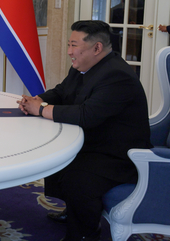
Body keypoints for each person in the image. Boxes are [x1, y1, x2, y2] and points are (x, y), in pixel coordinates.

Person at [17, 20, 152, 241]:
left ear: (97, 48)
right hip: (96, 142)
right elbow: (62, 92)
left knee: (77, 177)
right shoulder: (84, 66)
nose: (69, 52)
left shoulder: (117, 76)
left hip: (119, 156)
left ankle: (84, 234)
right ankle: (73, 213)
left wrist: (40, 110)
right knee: (58, 157)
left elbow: (85, 115)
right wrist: (39, 99)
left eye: (73, 45)